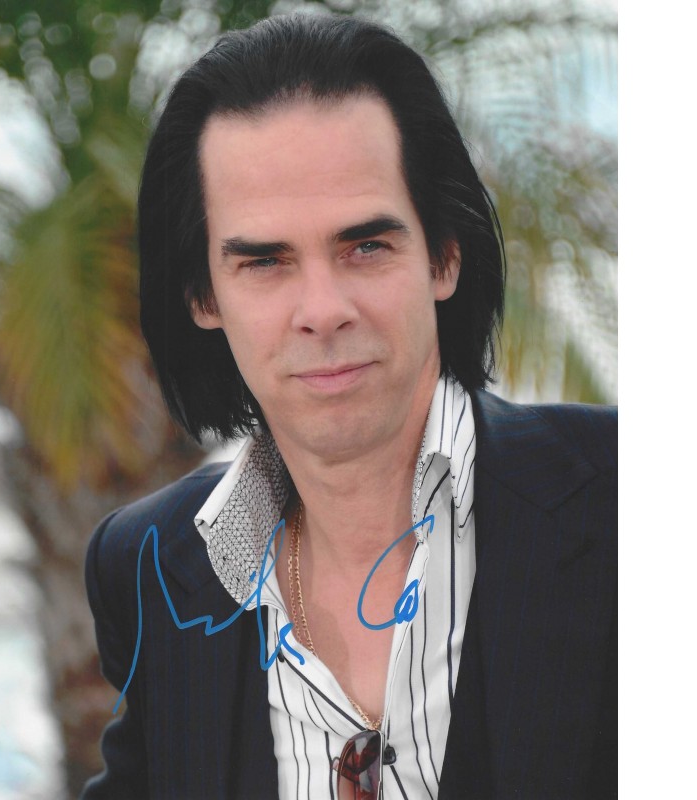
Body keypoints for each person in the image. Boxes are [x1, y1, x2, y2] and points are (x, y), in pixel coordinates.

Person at [81, 13, 617, 800]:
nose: (323, 309)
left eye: (365, 246)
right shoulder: (149, 564)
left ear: (444, 256)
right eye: (266, 262)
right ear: (203, 296)